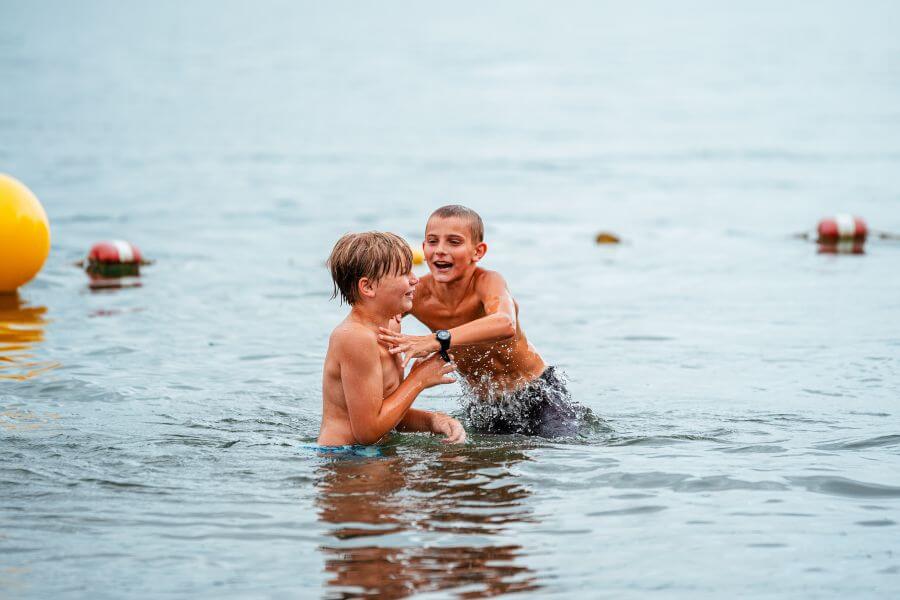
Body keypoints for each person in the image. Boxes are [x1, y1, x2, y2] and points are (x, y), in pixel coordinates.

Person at [378, 205, 586, 437]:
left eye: (454, 242)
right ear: (423, 247)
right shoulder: (417, 295)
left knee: (562, 449)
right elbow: (375, 321)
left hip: (537, 394)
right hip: (485, 407)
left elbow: (505, 323)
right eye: (433, 241)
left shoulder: (487, 283)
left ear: (478, 252)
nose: (440, 251)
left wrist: (437, 339)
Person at [317, 231, 466, 447]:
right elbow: (367, 432)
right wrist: (419, 379)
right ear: (368, 287)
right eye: (404, 273)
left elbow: (387, 413)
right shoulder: (355, 338)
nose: (415, 279)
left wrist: (434, 420)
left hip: (371, 453)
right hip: (345, 459)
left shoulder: (391, 325)